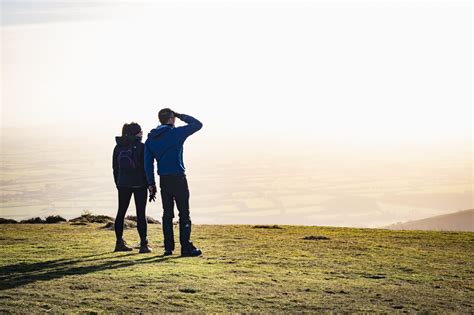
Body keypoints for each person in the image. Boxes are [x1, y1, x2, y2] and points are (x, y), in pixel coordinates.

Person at [144, 108, 203, 257]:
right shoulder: (176, 133)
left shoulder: (151, 139)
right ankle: (186, 247)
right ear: (171, 119)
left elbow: (148, 164)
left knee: (167, 214)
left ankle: (168, 248)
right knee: (184, 213)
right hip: (178, 178)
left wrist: (151, 184)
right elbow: (197, 124)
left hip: (164, 180)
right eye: (174, 118)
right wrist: (180, 114)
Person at [112, 122, 152, 254]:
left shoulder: (118, 147)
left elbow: (115, 168)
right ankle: (143, 245)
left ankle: (119, 242)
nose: (142, 133)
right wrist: (150, 184)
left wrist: (118, 183)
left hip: (123, 184)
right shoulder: (142, 147)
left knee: (121, 212)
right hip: (140, 184)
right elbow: (146, 167)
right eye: (141, 131)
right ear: (137, 133)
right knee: (141, 213)